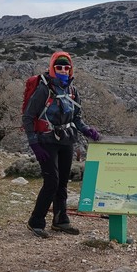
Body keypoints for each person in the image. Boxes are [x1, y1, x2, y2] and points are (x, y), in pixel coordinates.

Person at [22, 51, 101, 238]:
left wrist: (87, 130)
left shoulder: (72, 91)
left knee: (63, 182)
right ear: (52, 68)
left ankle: (61, 220)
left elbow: (77, 118)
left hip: (66, 140)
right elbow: (28, 116)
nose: (64, 70)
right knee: (52, 182)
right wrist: (34, 144)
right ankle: (36, 221)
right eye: (59, 67)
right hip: (46, 141)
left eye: (67, 67)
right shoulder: (44, 89)